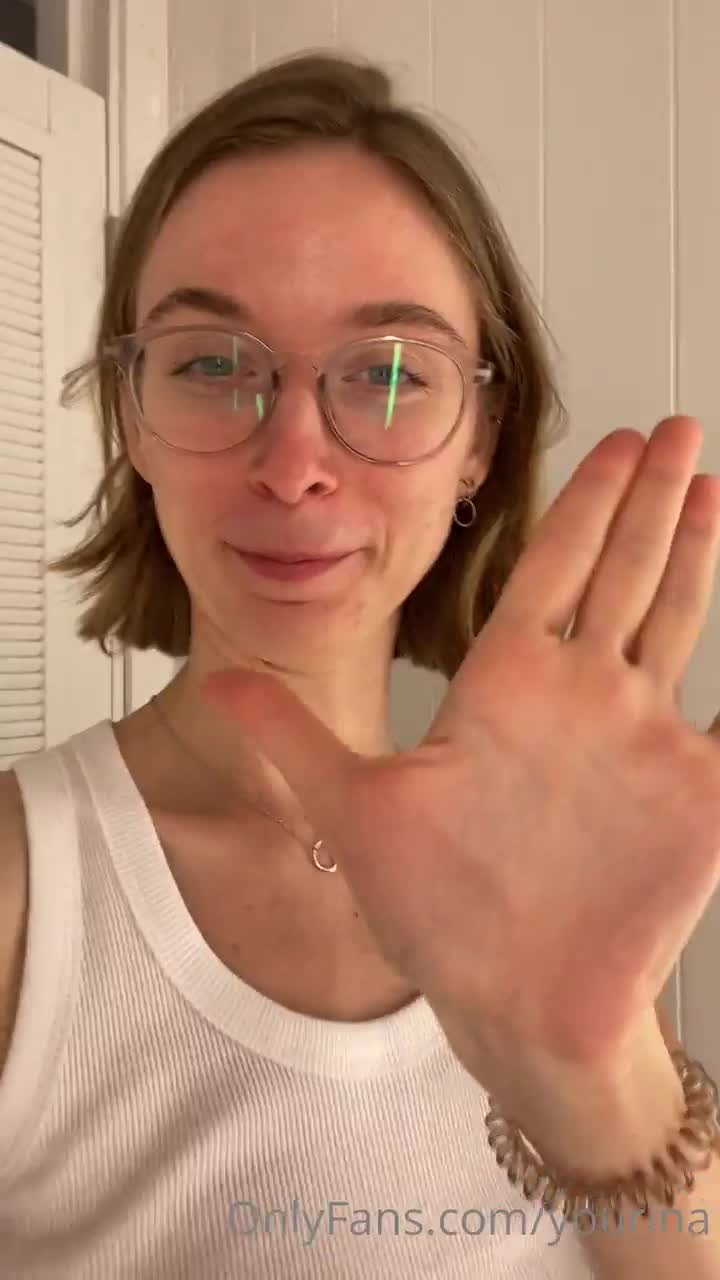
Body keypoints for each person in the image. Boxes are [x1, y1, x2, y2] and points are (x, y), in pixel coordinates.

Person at [1, 49, 719, 1280]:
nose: (293, 464)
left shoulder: (554, 855)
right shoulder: (27, 891)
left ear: (480, 436)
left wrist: (598, 1078)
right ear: (131, 418)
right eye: (211, 362)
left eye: (390, 373)